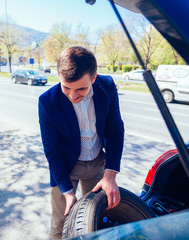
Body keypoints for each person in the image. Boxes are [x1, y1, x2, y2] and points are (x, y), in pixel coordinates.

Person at [38, 46, 124, 239]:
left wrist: (110, 175)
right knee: (60, 224)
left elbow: (115, 130)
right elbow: (52, 151)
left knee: (96, 220)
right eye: (66, 87)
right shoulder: (46, 102)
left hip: (97, 163)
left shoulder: (107, 86)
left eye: (81, 89)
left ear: (93, 79)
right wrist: (68, 193)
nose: (72, 95)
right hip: (66, 167)